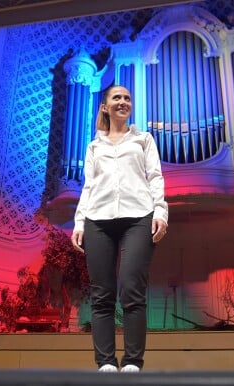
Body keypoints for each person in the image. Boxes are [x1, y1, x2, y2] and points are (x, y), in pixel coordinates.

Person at [71, 85, 168, 373]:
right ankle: (105, 363)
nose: (123, 102)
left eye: (127, 98)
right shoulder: (94, 146)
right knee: (101, 295)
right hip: (98, 219)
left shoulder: (143, 139)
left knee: (131, 289)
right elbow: (88, 187)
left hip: (138, 216)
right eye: (117, 98)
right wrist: (79, 222)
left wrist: (160, 212)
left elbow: (155, 177)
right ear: (105, 106)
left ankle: (133, 363)